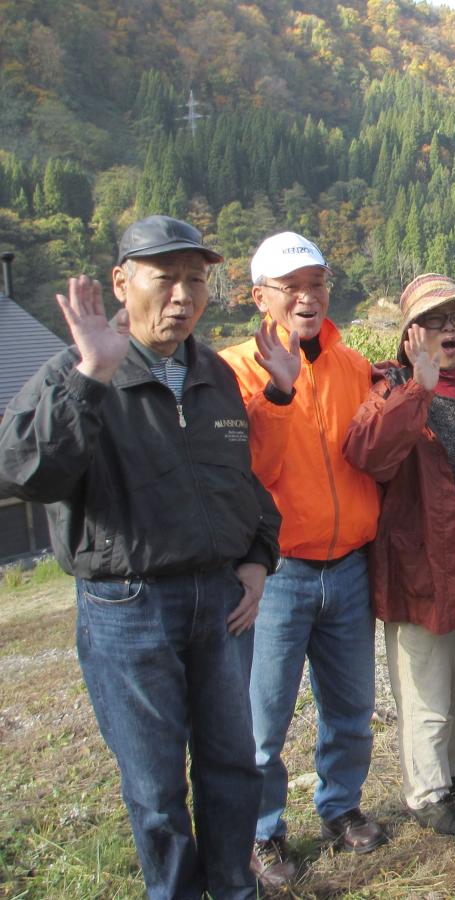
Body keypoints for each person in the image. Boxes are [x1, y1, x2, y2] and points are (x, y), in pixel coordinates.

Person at [0, 216, 281, 899]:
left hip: (219, 600)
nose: (183, 295)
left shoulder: (214, 373)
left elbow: (238, 482)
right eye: (166, 278)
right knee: (155, 786)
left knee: (232, 765)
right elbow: (25, 474)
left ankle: (235, 888)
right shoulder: (76, 369)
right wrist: (91, 377)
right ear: (123, 283)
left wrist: (257, 558)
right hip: (128, 606)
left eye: (196, 279)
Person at [219, 232, 385, 889]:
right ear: (260, 297)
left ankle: (340, 807)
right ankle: (262, 834)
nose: (307, 297)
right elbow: (243, 474)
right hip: (279, 573)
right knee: (263, 721)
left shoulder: (353, 365)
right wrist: (279, 397)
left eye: (316, 283)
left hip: (349, 567)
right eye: (292, 287)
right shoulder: (233, 371)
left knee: (351, 710)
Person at [343, 273, 455, 837]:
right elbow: (369, 454)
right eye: (435, 320)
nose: (449, 330)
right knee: (426, 683)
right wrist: (419, 386)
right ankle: (426, 791)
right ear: (411, 332)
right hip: (424, 553)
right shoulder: (389, 383)